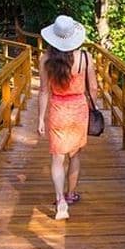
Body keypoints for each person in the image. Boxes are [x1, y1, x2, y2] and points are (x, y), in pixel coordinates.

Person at [37, 15, 99, 220]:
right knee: (75, 155)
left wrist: (40, 118)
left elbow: (44, 91)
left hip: (57, 110)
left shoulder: (45, 59)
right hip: (79, 109)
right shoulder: (85, 58)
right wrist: (92, 107)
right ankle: (71, 194)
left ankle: (60, 200)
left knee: (57, 158)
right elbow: (93, 88)